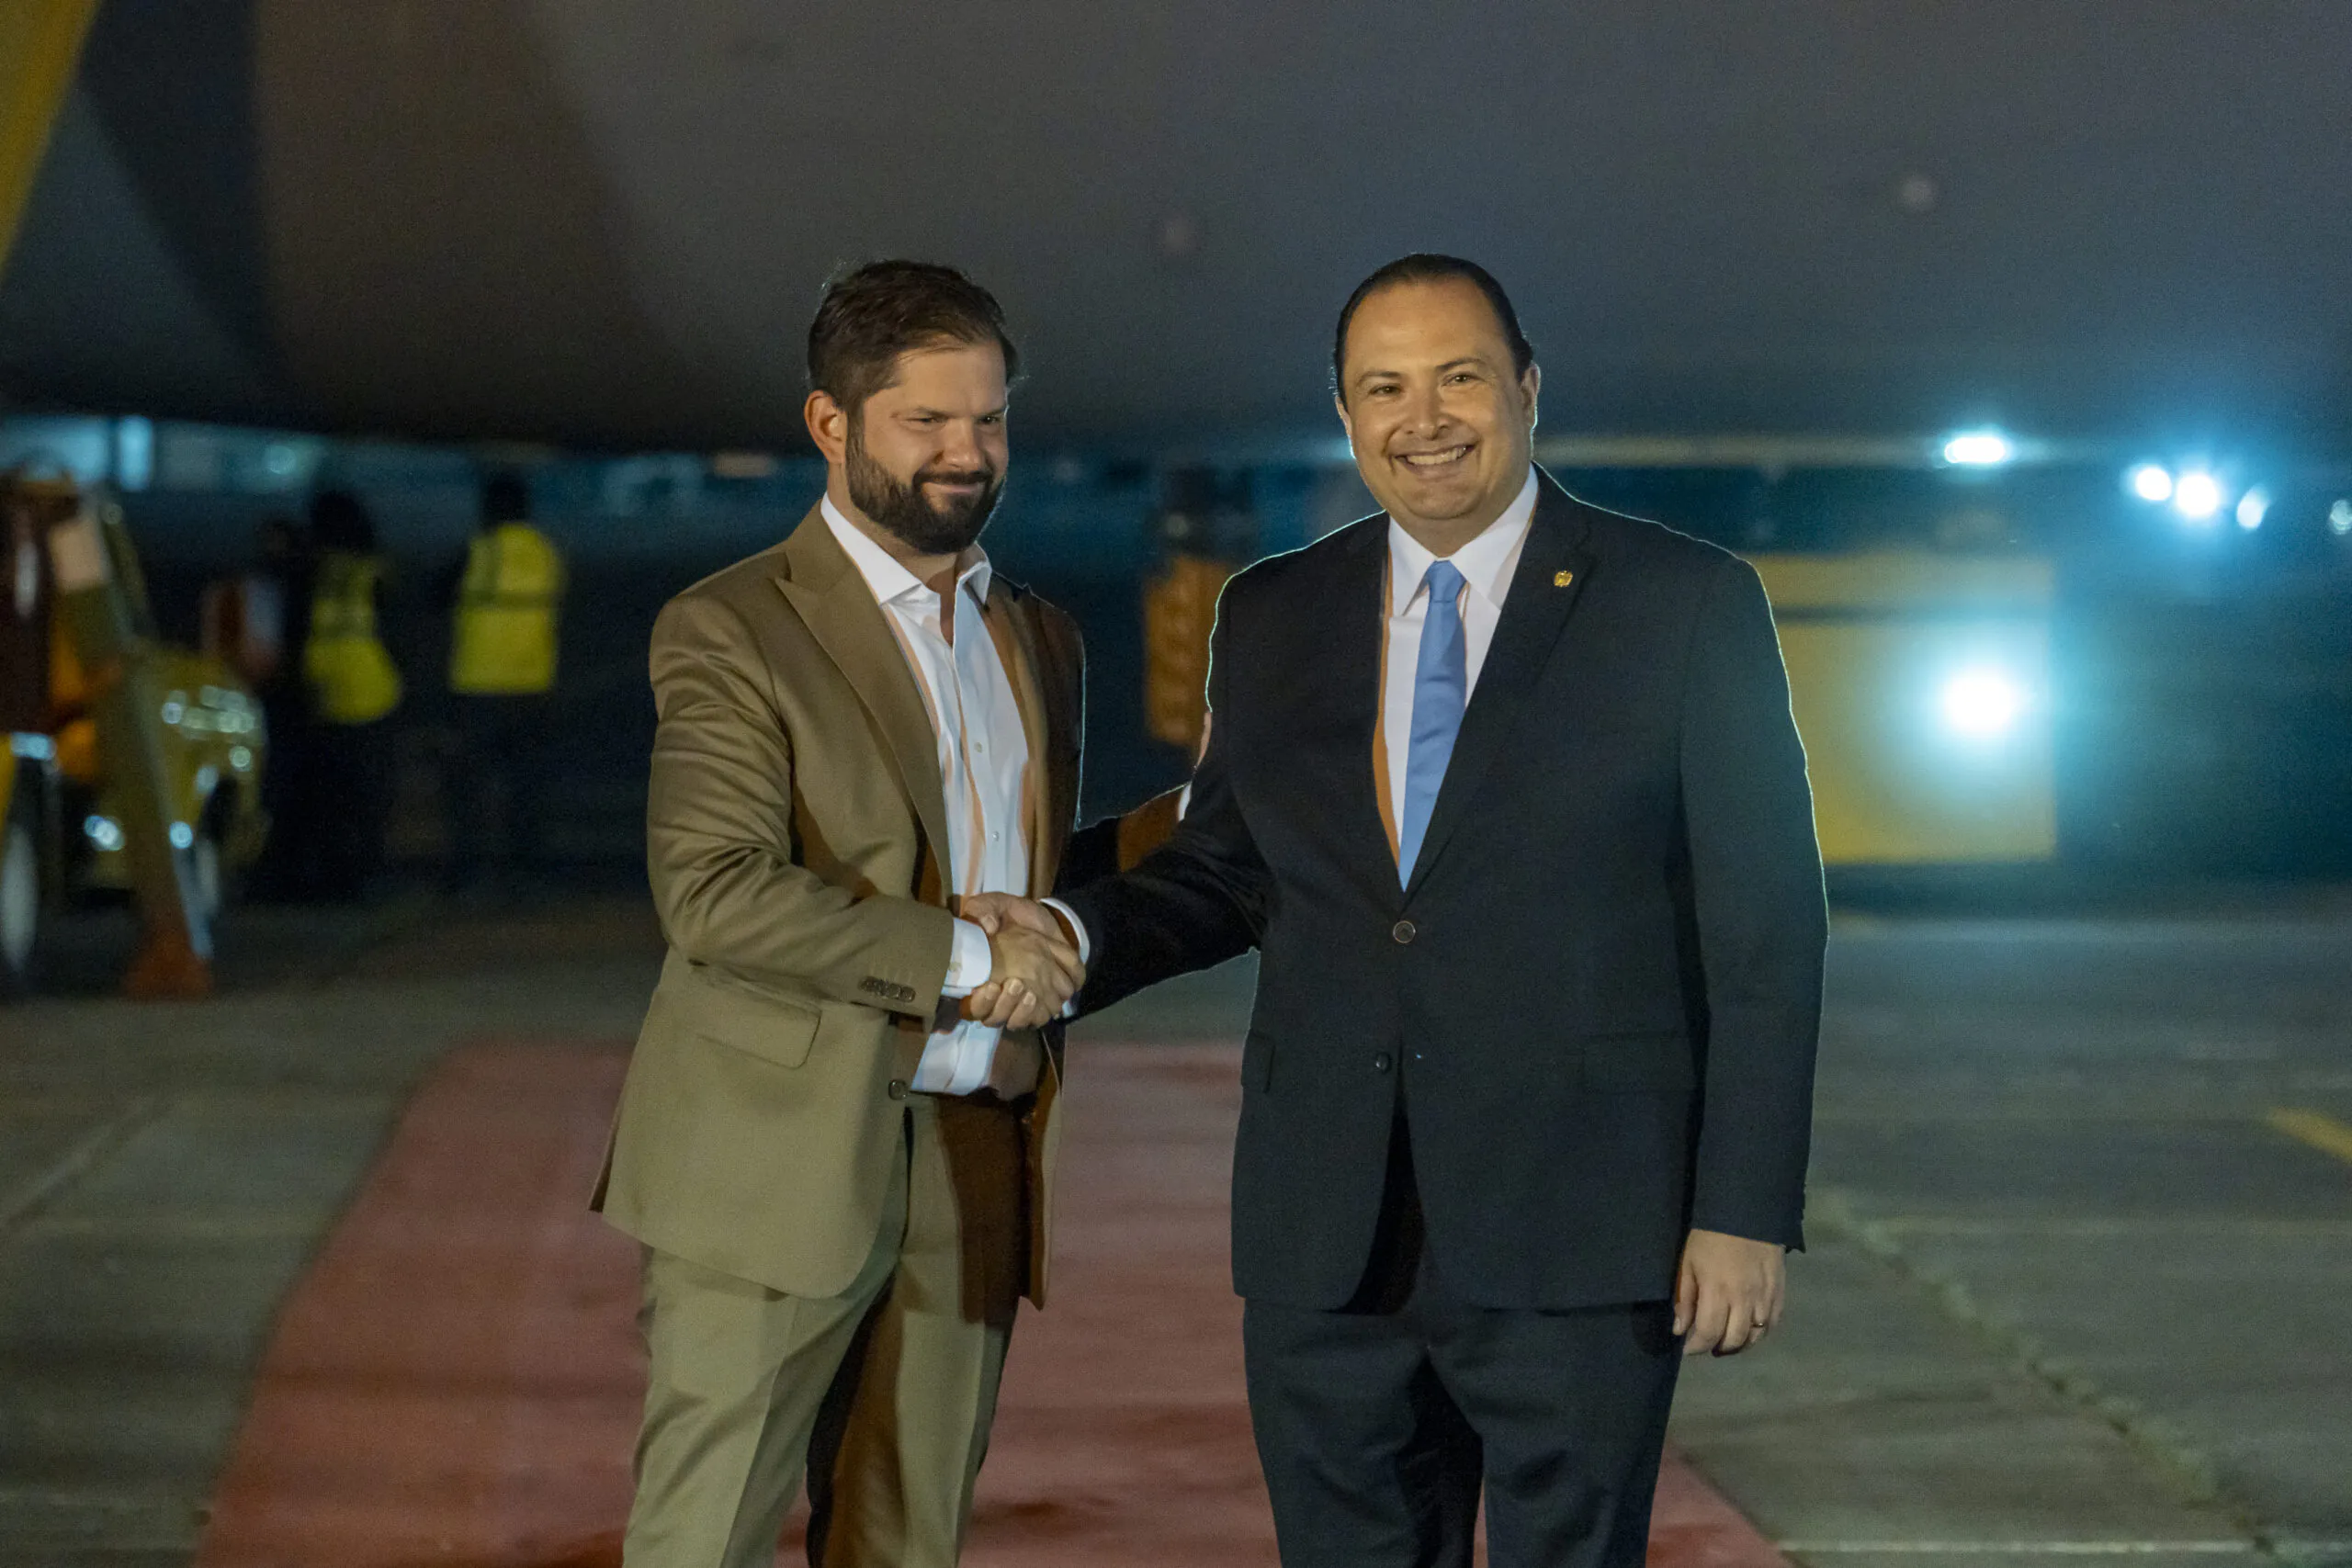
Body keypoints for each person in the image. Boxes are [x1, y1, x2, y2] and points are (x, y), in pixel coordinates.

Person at [971, 254, 1826, 1568]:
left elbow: (1765, 935)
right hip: (1329, 1237)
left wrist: (1743, 1211)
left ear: (1527, 388)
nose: (1423, 419)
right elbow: (1228, 868)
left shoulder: (1684, 602)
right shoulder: (1275, 611)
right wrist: (1072, 937)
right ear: (1345, 412)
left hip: (1578, 1226)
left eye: (1458, 378)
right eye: (1383, 388)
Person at [594, 260, 1148, 1568]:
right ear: (830, 423)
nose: (968, 452)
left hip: (974, 1150)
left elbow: (1019, 870)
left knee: (908, 1543)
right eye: (927, 420)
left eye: (990, 419)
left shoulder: (1040, 637)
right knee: (701, 1541)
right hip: (771, 1165)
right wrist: (970, 954)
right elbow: (715, 890)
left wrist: (1214, 821)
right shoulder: (734, 626)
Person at [444, 470, 565, 895]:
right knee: (527, 785)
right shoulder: (547, 552)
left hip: (478, 684)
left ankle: (469, 871)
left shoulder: (477, 549)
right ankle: (527, 868)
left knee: (469, 787)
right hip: (533, 683)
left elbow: (436, 593)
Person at [299, 489, 401, 899]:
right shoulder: (371, 571)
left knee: (336, 795)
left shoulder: (312, 572)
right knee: (364, 794)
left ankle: (344, 875)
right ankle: (361, 873)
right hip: (366, 690)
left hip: (333, 693)